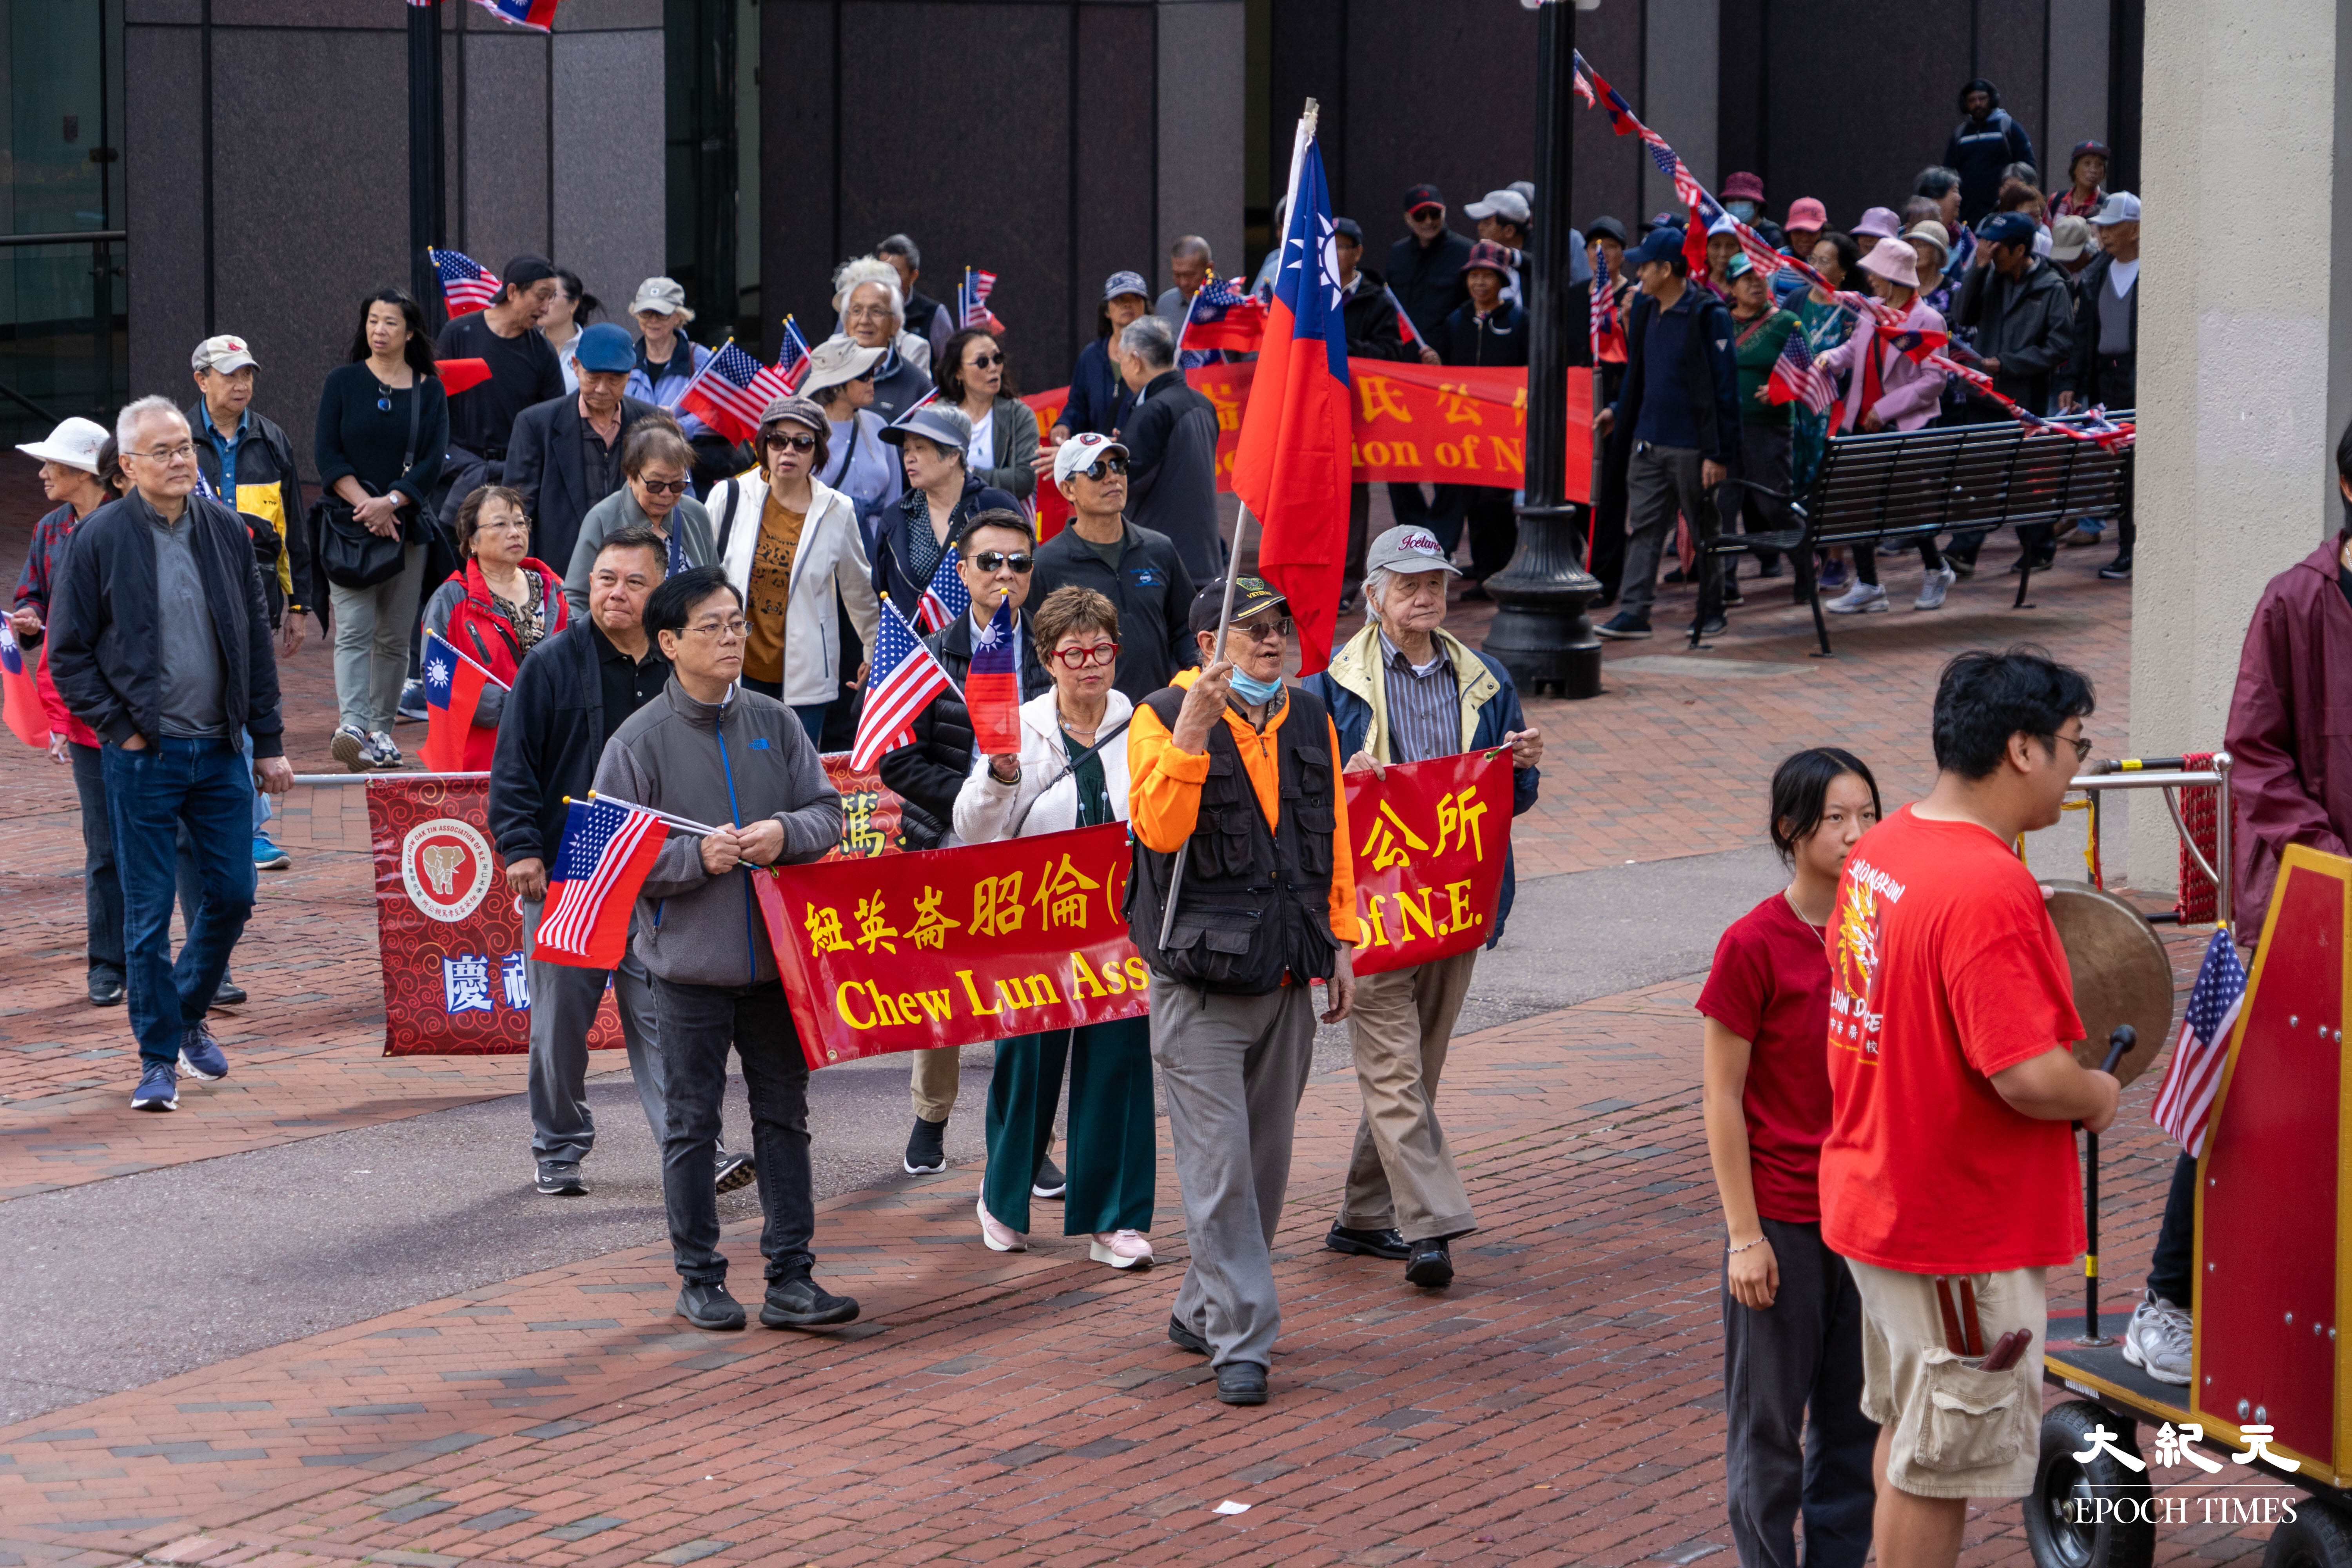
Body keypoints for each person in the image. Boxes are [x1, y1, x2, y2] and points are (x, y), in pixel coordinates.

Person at [1825, 648, 2114, 1565]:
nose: (2080, 762)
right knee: (1936, 1461)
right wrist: (2097, 1091)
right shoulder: (1987, 885)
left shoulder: (1884, 850)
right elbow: (2027, 1073)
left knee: (1909, 1433)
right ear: (2022, 750)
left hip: (1882, 1199)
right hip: (1953, 1226)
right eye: (2075, 743)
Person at [592, 564, 855, 1333]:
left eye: (737, 623)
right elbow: (608, 863)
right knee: (692, 1124)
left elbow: (827, 813)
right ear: (668, 641)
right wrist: (690, 861)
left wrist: (784, 834)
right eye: (711, 626)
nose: (731, 638)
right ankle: (700, 1275)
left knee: (786, 1116)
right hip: (687, 972)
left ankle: (792, 1276)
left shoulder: (776, 721)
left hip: (777, 967)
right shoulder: (638, 742)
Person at [1127, 576, 1360, 1406]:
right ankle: (1244, 1337)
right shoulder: (1160, 713)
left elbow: (1327, 830)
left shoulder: (1308, 714)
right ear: (1208, 645)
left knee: (1263, 1170)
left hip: (1288, 968)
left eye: (1279, 628)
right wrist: (1193, 732)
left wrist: (1339, 941)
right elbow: (1157, 828)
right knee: (1220, 1171)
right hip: (1199, 984)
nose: (1271, 641)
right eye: (1251, 629)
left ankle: (1202, 1305)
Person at [1307, 527, 1542, 1290]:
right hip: (1371, 908)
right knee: (1397, 1071)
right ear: (1372, 594)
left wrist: (1524, 766)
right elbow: (1305, 797)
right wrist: (1344, 775)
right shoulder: (1329, 688)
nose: (1425, 595)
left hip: (1454, 903)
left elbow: (1510, 801)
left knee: (1415, 1071)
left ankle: (1364, 1216)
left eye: (1435, 581)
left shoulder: (1484, 676)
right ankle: (1430, 1225)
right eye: (1407, 583)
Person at [48, 397, 294, 1111]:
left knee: (235, 893)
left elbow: (252, 638)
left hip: (219, 750)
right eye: (163, 451)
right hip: (143, 758)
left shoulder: (223, 529)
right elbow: (68, 656)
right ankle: (157, 1058)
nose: (181, 459)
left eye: (184, 447)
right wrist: (121, 732)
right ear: (126, 466)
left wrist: (268, 741)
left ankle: (185, 1013)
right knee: (149, 915)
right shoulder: (97, 539)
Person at [491, 527, 749, 1198]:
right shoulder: (551, 664)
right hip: (569, 874)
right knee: (560, 1027)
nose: (617, 594)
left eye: (635, 582)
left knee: (663, 1022)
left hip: (659, 877)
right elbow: (514, 767)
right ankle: (559, 1147)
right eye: (606, 579)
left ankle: (694, 1148)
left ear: (661, 590)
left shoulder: (681, 665)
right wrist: (520, 847)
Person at [1700, 749, 1884, 1568]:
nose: (1857, 833)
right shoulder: (1752, 943)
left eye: (1868, 814)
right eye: (1837, 817)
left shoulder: (1886, 933)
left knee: (1855, 1422)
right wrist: (1746, 1235)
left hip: (1869, 1218)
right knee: (1768, 1428)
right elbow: (1721, 1099)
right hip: (1783, 1216)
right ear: (1790, 827)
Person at [953, 583, 1155, 1269]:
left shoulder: (1144, 724)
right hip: (1037, 922)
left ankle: (1116, 1220)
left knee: (1117, 1068)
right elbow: (973, 831)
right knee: (1029, 1067)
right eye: (1076, 652)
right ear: (1047, 658)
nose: (1091, 664)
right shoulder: (1019, 727)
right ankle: (1003, 1198)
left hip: (1120, 924)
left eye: (1103, 649)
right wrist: (999, 779)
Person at [880, 508, 1053, 1176]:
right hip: (948, 844)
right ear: (963, 572)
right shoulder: (926, 658)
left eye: (1019, 562)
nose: (1005, 574)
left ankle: (1026, 1141)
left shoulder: (1053, 650)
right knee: (946, 993)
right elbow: (897, 760)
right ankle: (931, 1118)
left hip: (1035, 848)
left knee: (1031, 998)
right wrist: (967, 805)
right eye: (991, 562)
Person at [13, 418, 155, 1005]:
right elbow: (32, 597)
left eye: (52, 465)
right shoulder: (50, 531)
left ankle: (183, 962)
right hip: (86, 716)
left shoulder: (136, 526)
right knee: (103, 846)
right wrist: (27, 621)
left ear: (83, 472)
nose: (43, 474)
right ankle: (108, 964)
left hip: (146, 713)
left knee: (167, 843)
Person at [185, 334, 307, 874]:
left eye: (248, 374)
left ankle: (251, 830)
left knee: (255, 700)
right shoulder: (177, 439)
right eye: (231, 374)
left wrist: (297, 603)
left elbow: (292, 528)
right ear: (201, 379)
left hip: (253, 594)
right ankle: (219, 821)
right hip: (192, 593)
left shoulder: (272, 439)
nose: (242, 384)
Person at [316, 288, 452, 771]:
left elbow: (434, 461)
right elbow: (327, 457)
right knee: (354, 628)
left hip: (406, 529)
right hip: (349, 528)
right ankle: (352, 724)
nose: (379, 330)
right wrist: (367, 506)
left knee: (394, 636)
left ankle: (381, 731)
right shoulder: (342, 382)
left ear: (409, 331)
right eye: (373, 320)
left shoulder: (429, 389)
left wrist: (392, 502)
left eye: (390, 322)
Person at [1593, 227, 1740, 641]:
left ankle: (1713, 609)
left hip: (1694, 447)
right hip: (1647, 441)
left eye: (1646, 265)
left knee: (1703, 530)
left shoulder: (1708, 314)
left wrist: (1718, 453)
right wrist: (1619, 411)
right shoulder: (1644, 308)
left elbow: (1725, 389)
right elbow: (1642, 373)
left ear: (1667, 268)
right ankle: (1635, 612)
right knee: (1644, 527)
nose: (1639, 273)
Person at [710, 394, 880, 742]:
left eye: (803, 443)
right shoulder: (729, 496)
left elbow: (859, 590)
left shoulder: (837, 510)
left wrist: (872, 654)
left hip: (805, 679)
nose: (789, 450)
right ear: (764, 445)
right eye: (778, 440)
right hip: (732, 666)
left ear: (817, 453)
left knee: (797, 781)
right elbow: (696, 580)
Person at [1813, 240, 1954, 613]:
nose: (1871, 279)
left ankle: (1937, 569)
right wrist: (1831, 357)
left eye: (1878, 273)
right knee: (1857, 503)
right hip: (1861, 422)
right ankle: (1869, 584)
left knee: (1908, 504)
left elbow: (1934, 381)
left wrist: (1886, 408)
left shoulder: (1928, 321)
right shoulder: (1872, 313)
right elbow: (1853, 350)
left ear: (1896, 278)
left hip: (1901, 427)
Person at [1029, 432, 1196, 700]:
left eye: (1119, 466)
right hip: (1084, 726)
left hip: (1156, 719)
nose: (1113, 477)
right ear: (1068, 489)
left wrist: (1194, 679)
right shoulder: (1045, 564)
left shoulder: (1159, 549)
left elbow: (1187, 628)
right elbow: (1032, 653)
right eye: (1096, 470)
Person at [1951, 211, 2074, 573]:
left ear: (2021, 250)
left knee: (2025, 479)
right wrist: (1977, 268)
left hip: (2024, 398)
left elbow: (2060, 346)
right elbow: (1962, 314)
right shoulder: (1989, 274)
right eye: (1985, 244)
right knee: (1978, 475)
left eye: (1998, 247)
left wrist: (2007, 363)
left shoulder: (2052, 288)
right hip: (1982, 394)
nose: (1990, 251)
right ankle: (1963, 551)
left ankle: (2039, 548)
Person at [508, 322, 664, 583]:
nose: (602, 389)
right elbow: (520, 512)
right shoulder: (536, 425)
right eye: (593, 377)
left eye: (615, 379)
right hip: (559, 575)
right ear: (575, 366)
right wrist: (528, 580)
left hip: (637, 575)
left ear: (631, 374)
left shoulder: (653, 423)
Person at [422, 485, 570, 728]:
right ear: (472, 541)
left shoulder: (552, 591)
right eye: (500, 525)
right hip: (482, 752)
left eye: (521, 523)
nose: (515, 533)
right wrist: (509, 705)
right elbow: (438, 678)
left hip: (549, 742)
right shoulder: (451, 600)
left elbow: (575, 661)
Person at [433, 254, 564, 523]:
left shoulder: (543, 352)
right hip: (457, 475)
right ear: (513, 291)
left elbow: (555, 424)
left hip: (515, 480)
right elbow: (432, 408)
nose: (546, 308)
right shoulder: (458, 334)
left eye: (551, 298)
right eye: (542, 296)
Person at [1334, 215, 1423, 605]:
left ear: (1357, 253)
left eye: (1341, 246)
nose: (1333, 254)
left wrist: (1343, 347)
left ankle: (1347, 578)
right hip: (1317, 411)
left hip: (1359, 412)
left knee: (1352, 493)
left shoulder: (1376, 299)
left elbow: (1390, 353)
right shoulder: (1308, 298)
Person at [1436, 241, 1531, 594]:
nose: (1479, 283)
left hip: (1504, 429)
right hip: (1464, 429)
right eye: (1474, 275)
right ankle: (1485, 571)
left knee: (1497, 502)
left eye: (1487, 276)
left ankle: (1503, 570)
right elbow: (1442, 372)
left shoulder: (1519, 320)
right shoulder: (1456, 321)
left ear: (1501, 280)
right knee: (1473, 502)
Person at [869, 403, 1020, 616]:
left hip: (988, 643)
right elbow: (881, 589)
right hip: (917, 646)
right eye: (907, 449)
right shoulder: (896, 517)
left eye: (920, 448)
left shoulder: (996, 507)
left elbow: (1025, 572)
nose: (909, 458)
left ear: (953, 455)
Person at [2058, 192, 2141, 581]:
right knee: (2121, 468)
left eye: (2111, 227)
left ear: (2137, 229)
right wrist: (2072, 382)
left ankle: (2139, 546)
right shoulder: (2096, 272)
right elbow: (2082, 335)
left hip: (2141, 378)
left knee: (2142, 468)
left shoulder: (2154, 269)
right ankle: (2127, 548)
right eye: (2101, 228)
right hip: (2107, 380)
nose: (2103, 234)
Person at [1112, 313, 1223, 582]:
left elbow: (1126, 481)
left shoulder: (1153, 411)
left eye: (1123, 359)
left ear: (1136, 361)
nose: (1122, 366)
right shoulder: (1202, 403)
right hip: (1204, 557)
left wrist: (1093, 458)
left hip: (1161, 562)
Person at [1717, 255, 1800, 601]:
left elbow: (1807, 371)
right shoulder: (1718, 321)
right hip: (1724, 428)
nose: (1755, 283)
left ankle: (1805, 567)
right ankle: (1725, 585)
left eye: (1760, 277)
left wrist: (1781, 389)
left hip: (1769, 429)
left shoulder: (1787, 322)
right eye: (1746, 278)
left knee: (1773, 506)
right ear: (1731, 287)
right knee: (1723, 506)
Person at [563, 423, 713, 613]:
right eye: (656, 485)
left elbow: (714, 588)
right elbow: (577, 598)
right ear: (631, 476)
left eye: (677, 484)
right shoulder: (603, 518)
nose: (667, 494)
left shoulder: (696, 515)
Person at [624, 277, 734, 490]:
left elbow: (724, 410)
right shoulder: (627, 361)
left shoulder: (701, 359)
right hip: (636, 475)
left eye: (661, 313)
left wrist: (683, 427)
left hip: (686, 480)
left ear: (678, 316)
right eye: (646, 312)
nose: (653, 320)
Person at [802, 335, 902, 540]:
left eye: (872, 372)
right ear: (836, 385)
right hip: (823, 544)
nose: (873, 379)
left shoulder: (879, 426)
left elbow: (895, 499)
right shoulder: (805, 433)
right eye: (864, 374)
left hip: (876, 547)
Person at [939, 326, 1038, 503]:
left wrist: (968, 474)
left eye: (997, 359)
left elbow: (1024, 480)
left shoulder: (1019, 415)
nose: (993, 368)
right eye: (982, 362)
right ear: (959, 372)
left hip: (1002, 520)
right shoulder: (939, 417)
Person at [1051, 272, 1151, 445]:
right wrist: (1065, 424)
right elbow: (1078, 406)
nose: (1128, 304)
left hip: (1145, 458)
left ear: (1145, 307)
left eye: (1135, 298)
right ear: (1107, 311)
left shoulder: (1159, 354)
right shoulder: (1090, 357)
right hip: (1102, 460)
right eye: (1119, 299)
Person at [834, 257, 935, 419]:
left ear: (895, 324)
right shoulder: (823, 374)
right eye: (857, 311)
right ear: (846, 323)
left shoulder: (917, 385)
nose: (865, 320)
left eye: (876, 312)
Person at [1387, 184, 1473, 352]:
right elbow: (1390, 306)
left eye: (1435, 214)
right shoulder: (1397, 253)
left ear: (1444, 212)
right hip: (1403, 356)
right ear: (1408, 218)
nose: (1429, 221)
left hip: (1450, 358)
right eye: (1420, 216)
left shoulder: (1467, 252)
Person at [1944, 80, 2036, 221]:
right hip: (1968, 211)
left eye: (1982, 98)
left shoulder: (2008, 127)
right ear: (1965, 105)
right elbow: (1948, 173)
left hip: (2001, 209)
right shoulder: (1960, 135)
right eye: (1972, 100)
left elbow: (2028, 168)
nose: (1978, 104)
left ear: (1992, 100)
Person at [876, 233, 954, 369]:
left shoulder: (934, 313)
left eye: (895, 273)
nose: (887, 280)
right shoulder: (861, 308)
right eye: (882, 272)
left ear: (914, 276)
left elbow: (949, 367)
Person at [542, 267, 600, 392]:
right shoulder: (529, 346)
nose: (543, 302)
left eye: (551, 296)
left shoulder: (591, 348)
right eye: (541, 295)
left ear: (573, 305)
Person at [1155, 236, 1213, 333]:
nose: (1183, 283)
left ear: (1209, 269)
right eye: (1177, 275)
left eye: (1190, 275)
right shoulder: (1165, 304)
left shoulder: (1232, 305)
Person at [1720, 172, 1787, 250]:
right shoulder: (1722, 232)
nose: (1737, 204)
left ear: (1757, 205)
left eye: (1743, 200)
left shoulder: (1773, 236)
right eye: (1731, 200)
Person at [2052, 140, 2111, 221]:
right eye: (2087, 164)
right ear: (2074, 168)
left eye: (2099, 165)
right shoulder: (2055, 200)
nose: (2093, 170)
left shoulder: (2108, 205)